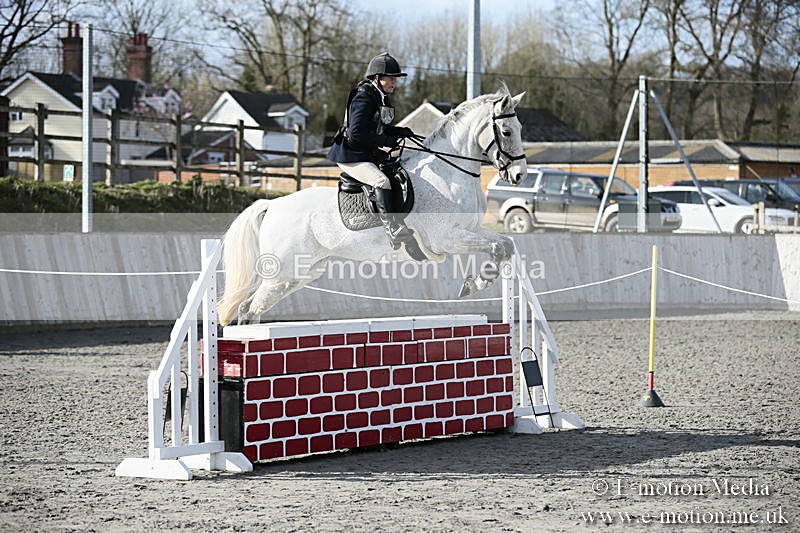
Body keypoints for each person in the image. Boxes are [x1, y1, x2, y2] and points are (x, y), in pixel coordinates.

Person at [327, 52, 417, 250]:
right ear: (378, 78)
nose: (394, 82)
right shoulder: (364, 97)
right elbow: (356, 132)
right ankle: (392, 227)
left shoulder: (379, 96)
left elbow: (376, 128)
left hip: (364, 151)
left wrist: (400, 131)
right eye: (391, 78)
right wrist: (386, 141)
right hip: (350, 154)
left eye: (395, 78)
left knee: (397, 171)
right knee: (381, 181)